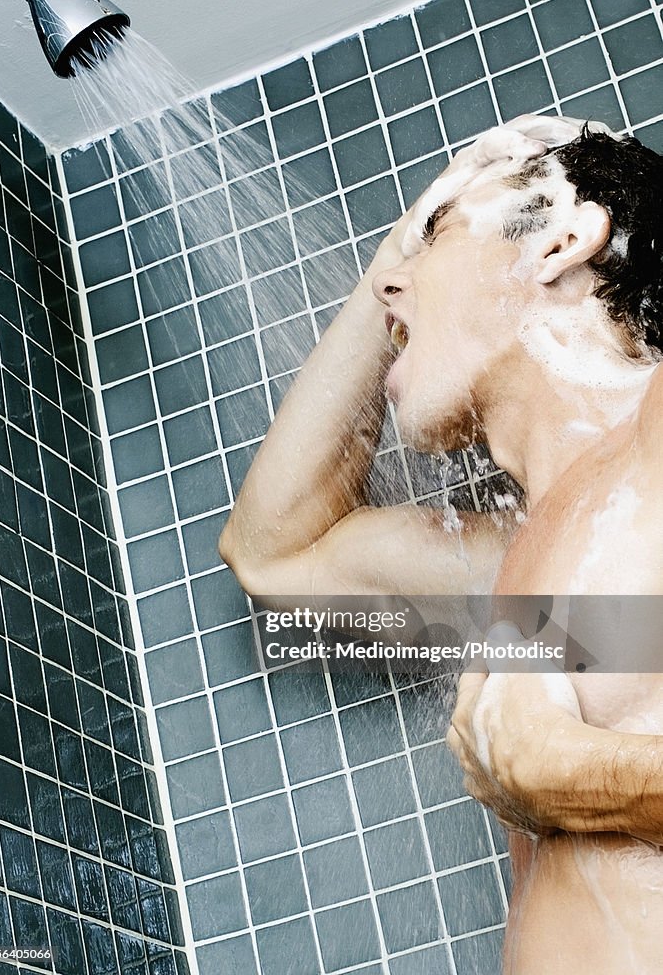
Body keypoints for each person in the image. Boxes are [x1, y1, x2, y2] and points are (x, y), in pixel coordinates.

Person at [219, 114, 663, 973]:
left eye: (437, 234)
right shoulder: (520, 580)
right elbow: (269, 553)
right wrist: (413, 229)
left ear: (562, 239)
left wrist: (577, 773)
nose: (391, 285)